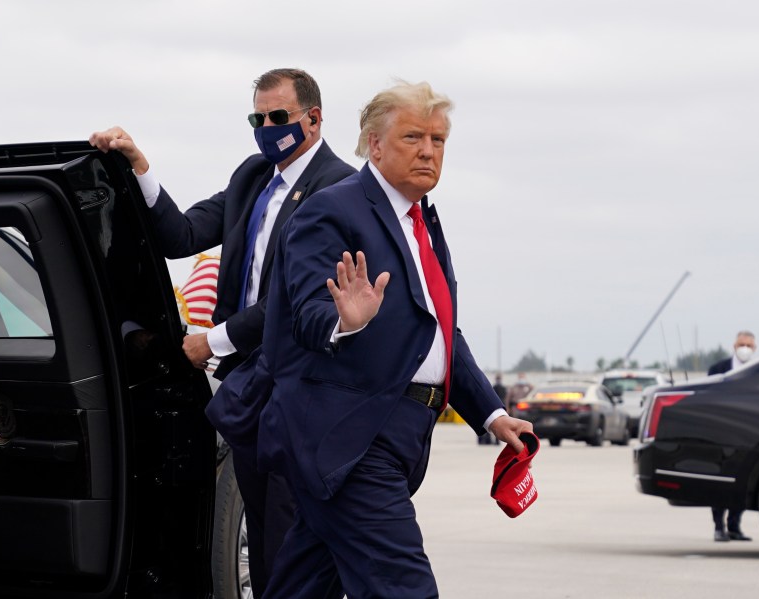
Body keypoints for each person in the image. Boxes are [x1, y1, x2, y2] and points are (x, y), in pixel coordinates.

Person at [255, 81, 534, 598]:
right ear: (375, 145)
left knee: (302, 586)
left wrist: (492, 415)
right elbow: (307, 315)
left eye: (438, 139)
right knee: (403, 587)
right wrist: (348, 320)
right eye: (413, 136)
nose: (429, 150)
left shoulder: (421, 220)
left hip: (401, 433)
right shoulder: (331, 210)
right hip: (350, 438)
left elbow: (440, 331)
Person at [89, 68, 355, 598]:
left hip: (301, 388)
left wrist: (213, 340)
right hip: (248, 387)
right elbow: (180, 234)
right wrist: (140, 169)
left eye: (278, 117)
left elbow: (296, 299)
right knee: (259, 535)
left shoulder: (340, 188)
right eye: (257, 118)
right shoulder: (252, 177)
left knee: (292, 542)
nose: (266, 128)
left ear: (314, 118)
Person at [707, 330, 757, 542]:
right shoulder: (718, 369)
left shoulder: (758, 371)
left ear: (754, 349)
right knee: (721, 480)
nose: (745, 348)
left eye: (749, 345)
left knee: (744, 481)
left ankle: (735, 526)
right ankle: (719, 526)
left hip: (748, 435)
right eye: (741, 344)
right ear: (734, 346)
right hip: (722, 432)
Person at [478, 373, 507, 445]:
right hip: (500, 408)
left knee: (491, 425)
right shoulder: (502, 388)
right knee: (496, 425)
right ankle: (494, 441)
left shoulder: (493, 387)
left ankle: (488, 440)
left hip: (493, 407)